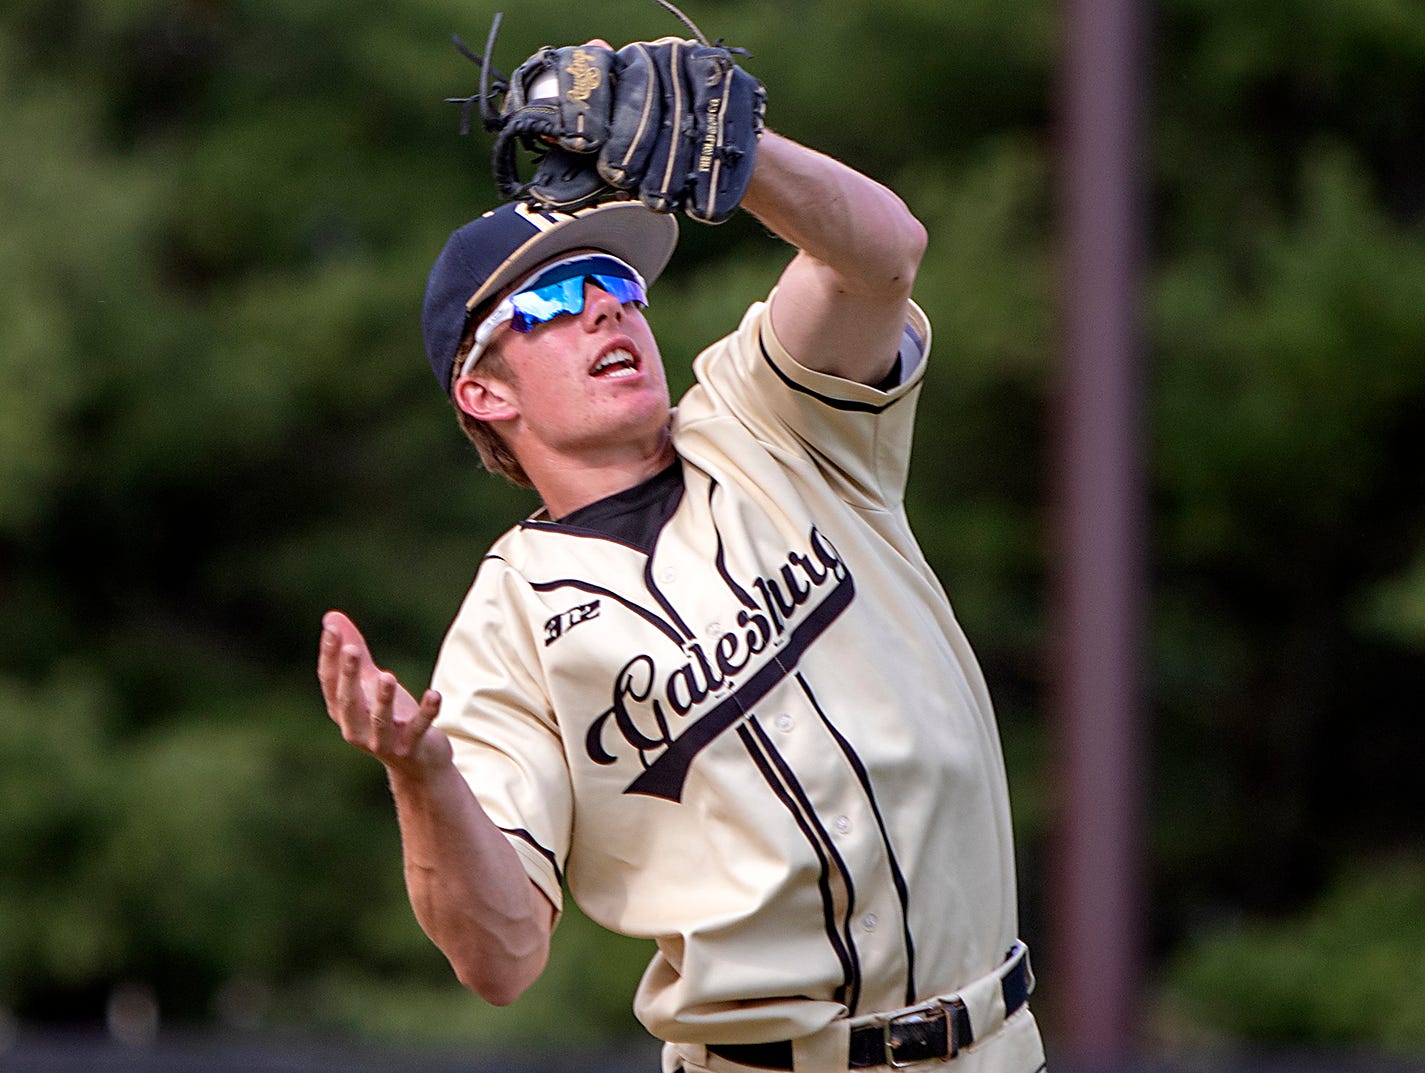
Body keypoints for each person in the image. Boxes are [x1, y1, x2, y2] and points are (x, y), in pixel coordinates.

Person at [316, 48, 1047, 1073]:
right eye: (552, 298)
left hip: (995, 1045)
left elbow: (882, 255)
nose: (605, 306)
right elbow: (502, 954)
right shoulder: (506, 628)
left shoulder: (767, 419)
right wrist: (421, 774)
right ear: (484, 392)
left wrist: (739, 152)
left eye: (614, 281)